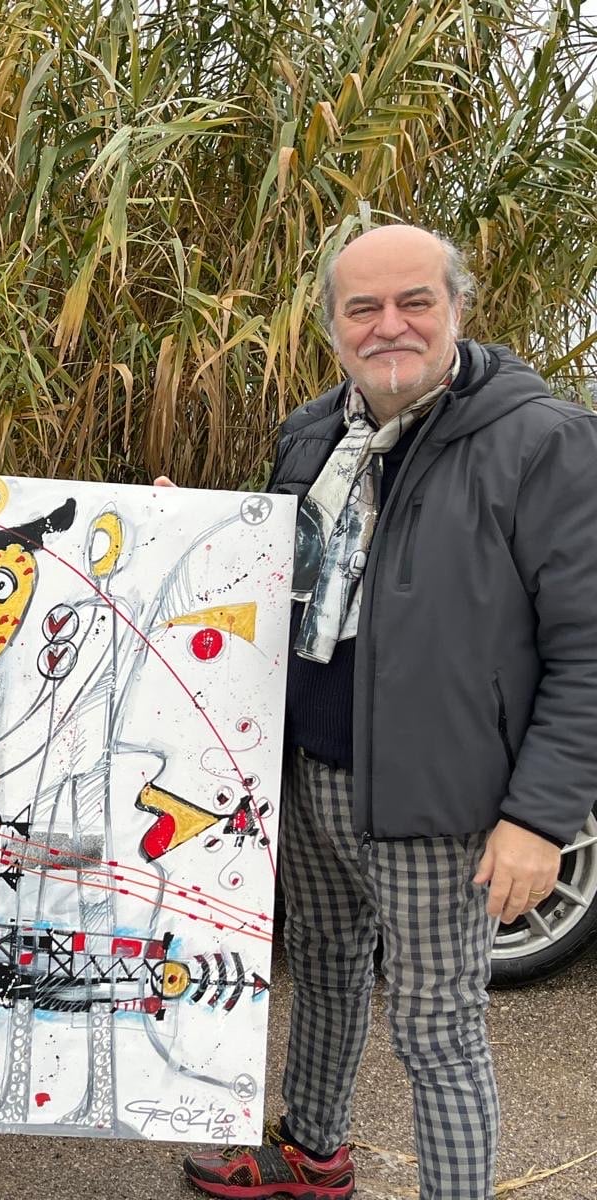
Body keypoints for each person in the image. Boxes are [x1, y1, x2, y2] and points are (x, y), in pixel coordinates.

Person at [174, 224, 597, 1200]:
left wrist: (537, 817)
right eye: (362, 307)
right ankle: (311, 1154)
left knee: (435, 1025)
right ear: (331, 326)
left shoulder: (544, 443)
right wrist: (182, 536)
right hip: (309, 770)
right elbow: (274, 577)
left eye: (414, 301)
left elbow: (585, 644)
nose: (389, 325)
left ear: (457, 307)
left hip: (435, 800)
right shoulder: (311, 433)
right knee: (319, 970)